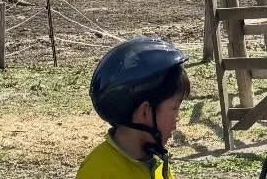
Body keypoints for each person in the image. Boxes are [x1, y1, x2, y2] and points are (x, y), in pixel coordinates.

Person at [77, 36, 191, 179]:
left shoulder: (157, 164)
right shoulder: (98, 172)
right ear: (144, 111)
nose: (178, 118)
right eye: (174, 108)